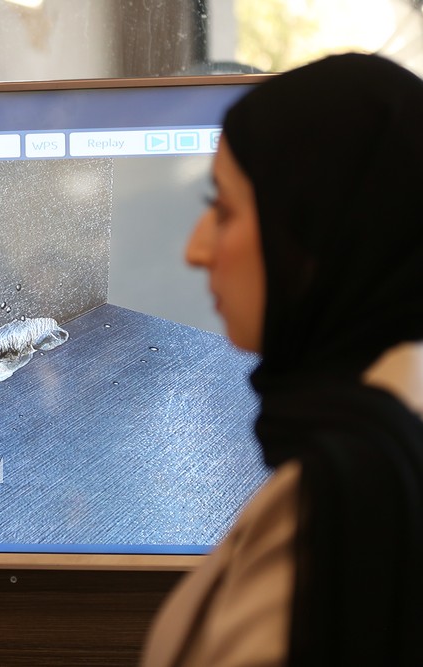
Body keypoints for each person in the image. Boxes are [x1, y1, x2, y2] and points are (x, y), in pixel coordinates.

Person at [140, 52, 423, 666]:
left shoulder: (338, 500)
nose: (196, 250)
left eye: (224, 209)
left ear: (317, 235)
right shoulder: (379, 441)